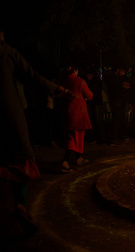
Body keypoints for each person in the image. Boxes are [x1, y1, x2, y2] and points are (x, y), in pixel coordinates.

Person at [0, 26, 66, 235]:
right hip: (9, 116)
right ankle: (20, 205)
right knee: (22, 159)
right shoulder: (6, 52)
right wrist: (55, 89)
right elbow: (31, 76)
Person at [60, 65, 93, 172]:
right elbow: (90, 95)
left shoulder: (63, 81)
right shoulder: (79, 81)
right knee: (74, 137)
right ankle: (65, 162)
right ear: (75, 70)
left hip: (66, 111)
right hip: (78, 112)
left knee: (76, 135)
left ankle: (79, 158)